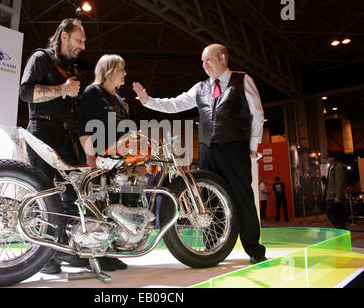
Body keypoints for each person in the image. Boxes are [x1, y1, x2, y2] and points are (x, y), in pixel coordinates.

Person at [133, 43, 267, 264]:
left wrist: (253, 147)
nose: (204, 64)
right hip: (207, 150)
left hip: (234, 148)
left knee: (243, 197)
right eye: (202, 61)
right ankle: (212, 246)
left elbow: (257, 114)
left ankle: (254, 249)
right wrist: (148, 101)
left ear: (223, 57)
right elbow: (175, 104)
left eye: (208, 59)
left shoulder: (242, 80)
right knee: (207, 197)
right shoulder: (200, 87)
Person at [19, 18, 88, 274]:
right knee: (47, 195)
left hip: (65, 135)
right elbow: (25, 93)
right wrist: (62, 90)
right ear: (64, 36)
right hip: (42, 131)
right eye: (79, 40)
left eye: (84, 42)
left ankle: (66, 251)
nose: (82, 45)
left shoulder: (70, 68)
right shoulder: (41, 57)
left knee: (71, 196)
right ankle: (46, 258)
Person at [77, 54, 130, 271]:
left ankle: (111, 252)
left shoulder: (118, 100)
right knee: (96, 208)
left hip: (118, 165)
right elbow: (83, 127)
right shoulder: (93, 92)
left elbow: (127, 132)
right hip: (98, 161)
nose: (125, 73)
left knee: (114, 208)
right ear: (109, 71)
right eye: (121, 69)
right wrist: (91, 159)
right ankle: (95, 254)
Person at [324, 154, 347, 229]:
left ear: (333, 158)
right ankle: (342, 231)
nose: (326, 159)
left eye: (327, 158)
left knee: (329, 211)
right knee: (337, 214)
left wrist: (338, 196)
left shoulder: (338, 167)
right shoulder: (331, 167)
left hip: (334, 195)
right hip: (330, 194)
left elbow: (340, 181)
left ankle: (340, 227)